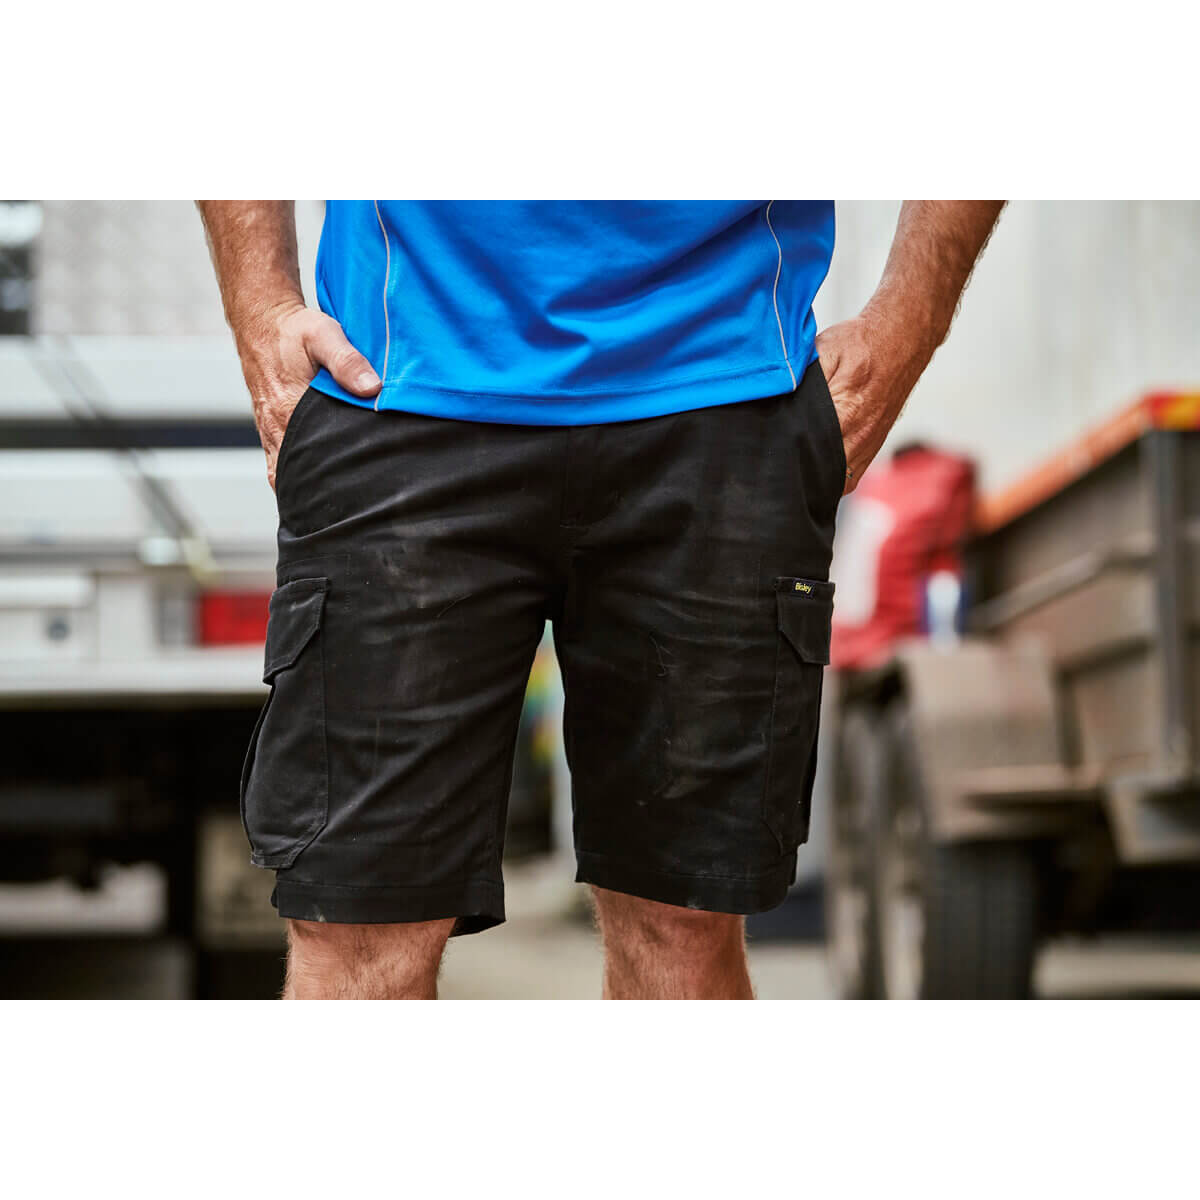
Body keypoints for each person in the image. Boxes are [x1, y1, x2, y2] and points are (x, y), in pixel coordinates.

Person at [199, 200, 1003, 999]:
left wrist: (905, 329)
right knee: (358, 928)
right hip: (401, 393)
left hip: (716, 395)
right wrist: (263, 312)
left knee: (683, 922)